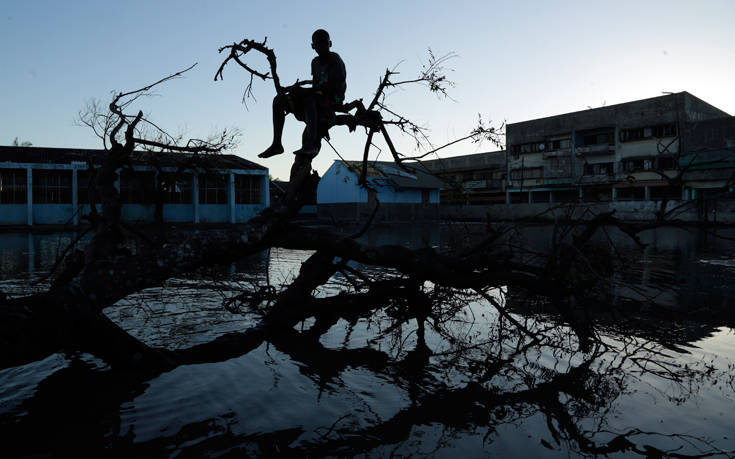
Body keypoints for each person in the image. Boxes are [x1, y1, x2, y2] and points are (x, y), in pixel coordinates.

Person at [259, 29, 346, 159]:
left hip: (333, 98)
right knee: (279, 100)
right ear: (313, 46)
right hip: (317, 96)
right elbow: (316, 86)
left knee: (309, 99)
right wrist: (297, 93)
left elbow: (331, 87)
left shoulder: (335, 59)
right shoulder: (314, 62)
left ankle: (311, 144)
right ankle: (277, 144)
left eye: (324, 42)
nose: (321, 45)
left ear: (330, 43)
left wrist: (306, 92)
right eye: (318, 43)